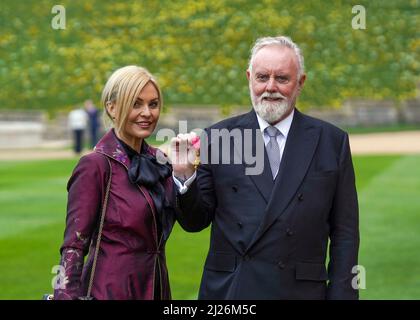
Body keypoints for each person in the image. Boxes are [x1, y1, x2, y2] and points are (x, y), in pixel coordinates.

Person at [171, 36, 359, 300]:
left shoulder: (332, 141)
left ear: (300, 82)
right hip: (233, 293)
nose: (270, 87)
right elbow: (194, 222)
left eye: (282, 78)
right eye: (262, 77)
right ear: (249, 78)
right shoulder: (217, 137)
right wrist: (184, 176)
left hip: (301, 292)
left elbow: (345, 235)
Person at [54, 65, 176, 300]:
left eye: (153, 104)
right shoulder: (95, 165)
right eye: (136, 103)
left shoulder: (160, 161)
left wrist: (185, 173)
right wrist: (65, 295)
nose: (147, 113)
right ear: (112, 108)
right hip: (110, 290)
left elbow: (189, 218)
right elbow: (74, 245)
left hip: (157, 288)